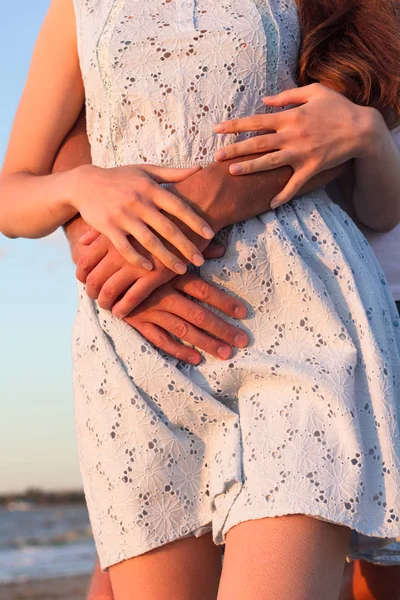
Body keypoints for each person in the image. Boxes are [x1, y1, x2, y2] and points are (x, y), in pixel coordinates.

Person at [1, 1, 400, 599]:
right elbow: (14, 194)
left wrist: (365, 133)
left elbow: (376, 210)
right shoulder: (78, 8)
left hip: (300, 325)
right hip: (138, 352)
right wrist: (82, 188)